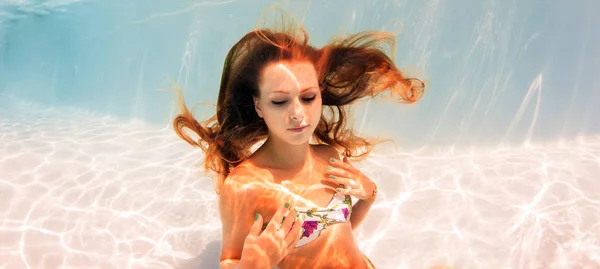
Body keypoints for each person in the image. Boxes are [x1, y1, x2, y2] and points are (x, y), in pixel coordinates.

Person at [172, 16, 425, 269]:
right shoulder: (244, 186)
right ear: (258, 105)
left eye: (308, 97)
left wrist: (369, 194)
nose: (298, 114)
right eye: (280, 102)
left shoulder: (330, 156)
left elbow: (338, 228)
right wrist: (253, 264)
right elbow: (229, 260)